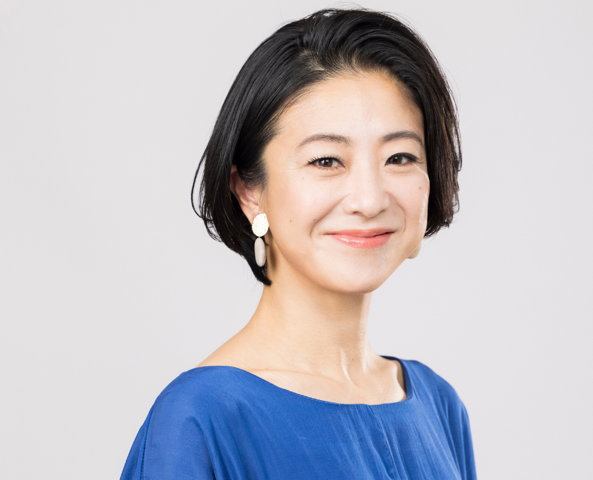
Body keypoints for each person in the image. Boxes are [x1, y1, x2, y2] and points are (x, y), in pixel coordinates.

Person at [120, 8, 476, 480]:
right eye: (326, 160)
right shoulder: (201, 419)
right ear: (249, 191)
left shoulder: (438, 406)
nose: (370, 200)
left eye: (399, 157)